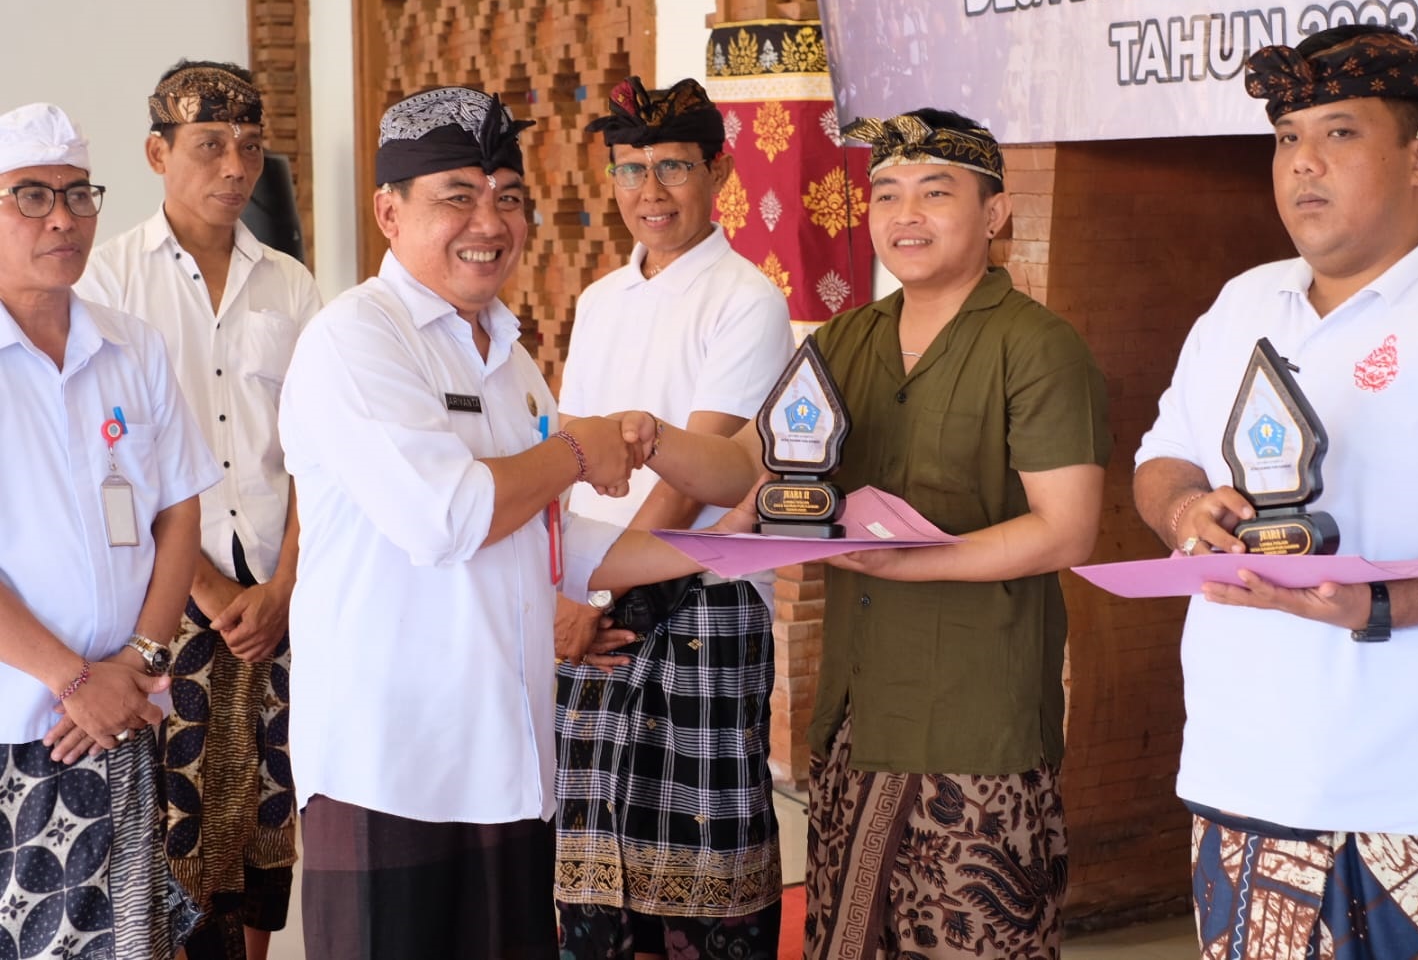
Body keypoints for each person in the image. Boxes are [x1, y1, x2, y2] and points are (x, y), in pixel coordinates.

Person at [1132, 25, 1418, 959]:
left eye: (1339, 134)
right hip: (1239, 778)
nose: (1303, 164)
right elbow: (1163, 461)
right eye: (1286, 137)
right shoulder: (1241, 304)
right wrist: (1187, 510)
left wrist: (1380, 602)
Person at [635, 108, 1111, 960]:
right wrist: (649, 438)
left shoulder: (1037, 347)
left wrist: (910, 564)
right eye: (885, 194)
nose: (904, 216)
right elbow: (746, 466)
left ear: (995, 213)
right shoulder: (847, 338)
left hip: (977, 720)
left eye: (936, 192)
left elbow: (1067, 531)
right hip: (858, 713)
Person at [279, 86, 726, 960]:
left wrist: (713, 549)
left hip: (508, 761)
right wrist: (580, 450)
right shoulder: (355, 340)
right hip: (394, 766)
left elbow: (550, 537)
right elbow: (448, 517)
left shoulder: (509, 356)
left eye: (508, 197)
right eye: (457, 195)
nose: (491, 220)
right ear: (388, 211)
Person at [77, 59, 322, 960]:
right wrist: (212, 594)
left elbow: (312, 454)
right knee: (172, 835)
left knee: (264, 826)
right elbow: (114, 463)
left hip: (280, 597)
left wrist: (286, 583)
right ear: (157, 152)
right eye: (210, 145)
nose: (234, 168)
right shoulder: (105, 286)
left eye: (250, 148)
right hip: (163, 602)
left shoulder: (291, 287)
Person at [552, 76, 794, 959]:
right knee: (592, 862)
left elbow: (700, 473)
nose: (649, 193)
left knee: (702, 866)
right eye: (630, 171)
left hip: (698, 599)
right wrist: (567, 592)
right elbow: (574, 459)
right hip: (591, 592)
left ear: (718, 171)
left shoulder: (745, 297)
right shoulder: (598, 299)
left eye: (673, 168)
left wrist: (595, 596)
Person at [0, 102, 218, 958]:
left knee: (128, 939)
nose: (62, 217)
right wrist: (70, 678)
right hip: (23, 725)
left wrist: (140, 660)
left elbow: (179, 508)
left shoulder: (132, 346)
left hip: (124, 714)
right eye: (30, 196)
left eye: (78, 194)